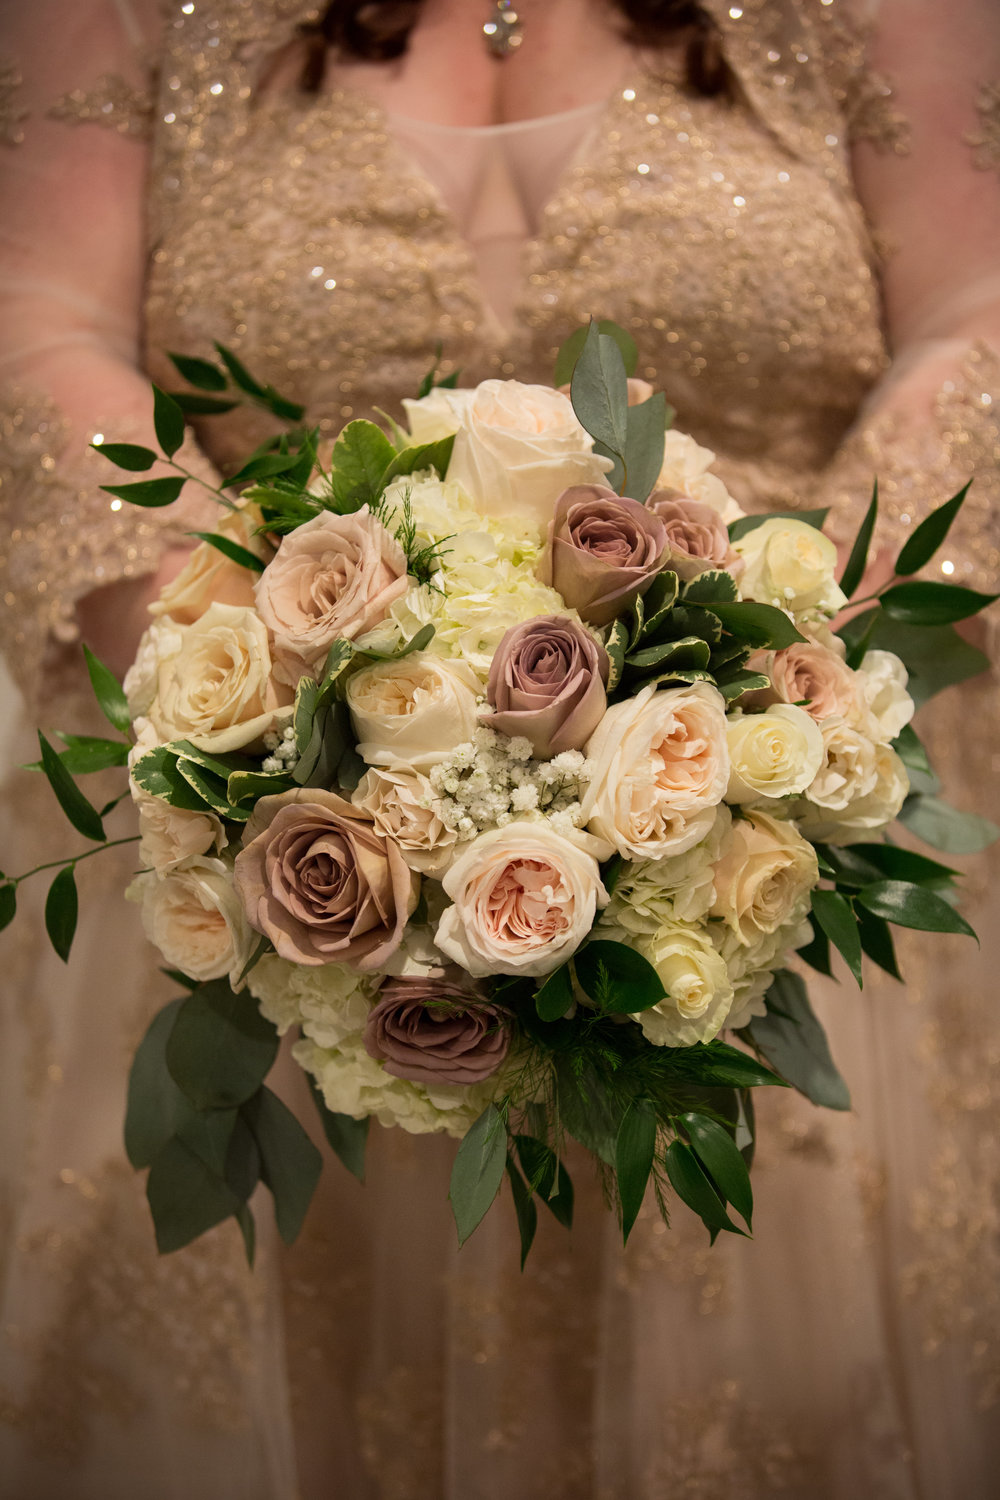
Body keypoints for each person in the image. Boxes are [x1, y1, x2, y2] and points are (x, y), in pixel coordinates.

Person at [0, 0, 998, 1495]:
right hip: (270, 861)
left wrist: (770, 687)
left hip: (756, 854)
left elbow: (977, 309)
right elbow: (37, 313)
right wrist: (288, 716)